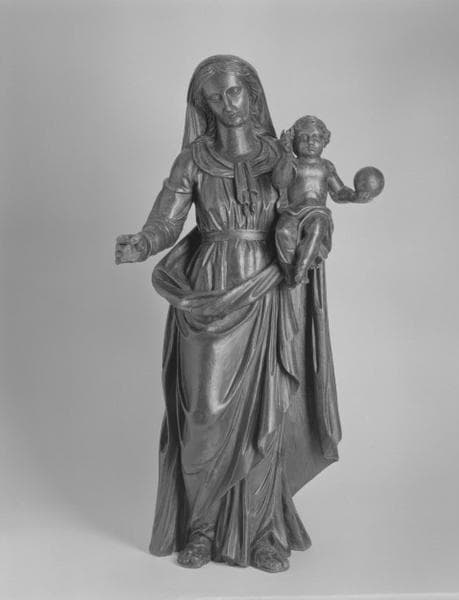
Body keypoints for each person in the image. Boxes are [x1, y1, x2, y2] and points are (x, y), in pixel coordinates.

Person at [115, 55, 341, 573]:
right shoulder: (193, 160)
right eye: (214, 97)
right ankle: (201, 527)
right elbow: (167, 219)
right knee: (202, 414)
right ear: (203, 106)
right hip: (209, 292)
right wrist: (142, 243)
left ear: (252, 94)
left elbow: (308, 207)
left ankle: (261, 533)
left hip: (267, 287)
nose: (227, 103)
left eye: (234, 91)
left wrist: (315, 230)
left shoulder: (282, 156)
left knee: (267, 413)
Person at [273, 115, 378, 287]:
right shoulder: (292, 164)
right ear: (293, 142)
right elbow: (279, 181)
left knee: (317, 227)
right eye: (304, 138)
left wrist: (354, 196)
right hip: (294, 211)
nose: (310, 142)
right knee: (283, 231)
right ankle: (288, 272)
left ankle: (301, 269)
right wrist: (285, 154)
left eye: (316, 138)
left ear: (324, 141)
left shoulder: (326, 166)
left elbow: (339, 192)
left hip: (318, 212)